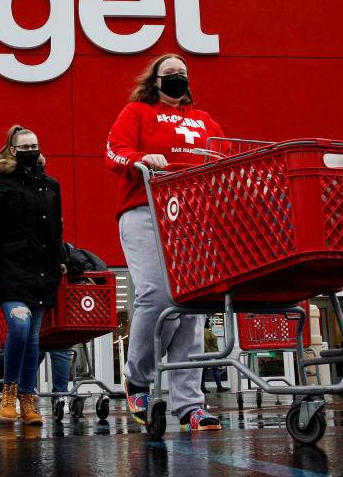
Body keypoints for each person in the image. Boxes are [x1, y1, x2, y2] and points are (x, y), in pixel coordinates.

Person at [105, 53, 224, 432]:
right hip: (146, 209)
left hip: (192, 213)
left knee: (192, 304)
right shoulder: (138, 112)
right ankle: (138, 377)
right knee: (157, 294)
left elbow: (224, 156)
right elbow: (114, 152)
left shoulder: (204, 121)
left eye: (183, 73)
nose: (177, 77)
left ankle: (190, 404)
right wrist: (142, 159)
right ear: (154, 80)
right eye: (169, 72)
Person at [0, 124, 66, 425]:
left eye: (34, 146)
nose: (31, 151)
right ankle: (9, 393)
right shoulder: (2, 184)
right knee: (21, 326)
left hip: (41, 271)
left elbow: (56, 229)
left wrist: (61, 260)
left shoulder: (51, 185)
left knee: (34, 339)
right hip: (10, 269)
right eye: (24, 147)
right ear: (13, 150)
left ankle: (28, 401)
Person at [202, 318, 227, 393]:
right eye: (208, 323)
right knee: (215, 369)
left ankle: (202, 388)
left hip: (207, 353)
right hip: (210, 354)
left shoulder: (202, 332)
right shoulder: (206, 332)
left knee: (203, 371)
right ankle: (219, 387)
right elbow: (207, 344)